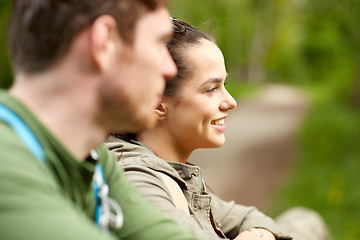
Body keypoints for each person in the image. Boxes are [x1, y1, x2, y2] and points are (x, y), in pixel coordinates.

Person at [0, 1, 197, 240]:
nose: (170, 69)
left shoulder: (92, 158)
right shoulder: (6, 165)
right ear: (104, 43)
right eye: (159, 44)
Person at [107, 18, 295, 240]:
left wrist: (261, 234)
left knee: (304, 218)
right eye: (211, 89)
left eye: (225, 85)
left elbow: (249, 216)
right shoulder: (136, 181)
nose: (231, 101)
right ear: (157, 103)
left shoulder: (170, 173)